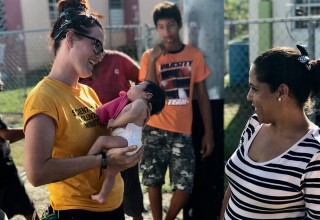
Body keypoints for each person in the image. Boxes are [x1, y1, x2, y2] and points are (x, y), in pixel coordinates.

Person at [23, 1, 143, 220]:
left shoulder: (88, 92)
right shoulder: (44, 97)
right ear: (70, 39)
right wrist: (104, 161)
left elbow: (106, 141)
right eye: (96, 45)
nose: (100, 56)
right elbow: (37, 172)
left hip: (112, 206)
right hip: (77, 212)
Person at [220, 45, 320, 219]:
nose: (248, 96)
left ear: (282, 91)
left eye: (255, 88)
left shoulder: (314, 153)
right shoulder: (254, 124)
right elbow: (235, 187)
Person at [139, 2, 214, 220]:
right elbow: (148, 92)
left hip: (183, 131)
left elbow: (203, 97)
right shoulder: (148, 56)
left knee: (185, 184)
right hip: (153, 127)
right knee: (153, 181)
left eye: (170, 25)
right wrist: (153, 60)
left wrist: (208, 132)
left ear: (179, 25)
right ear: (156, 29)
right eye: (160, 27)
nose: (166, 32)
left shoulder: (194, 55)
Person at [79, 50, 145, 220]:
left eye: (98, 43)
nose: (95, 49)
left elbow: (144, 83)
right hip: (93, 135)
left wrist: (140, 112)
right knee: (103, 178)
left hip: (122, 135)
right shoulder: (79, 68)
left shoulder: (117, 59)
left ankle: (136, 215)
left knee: (129, 185)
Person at [87, 80, 165, 204]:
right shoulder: (142, 106)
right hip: (131, 140)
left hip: (127, 138)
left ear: (147, 95)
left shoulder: (140, 102)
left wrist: (114, 122)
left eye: (138, 85)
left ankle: (86, 161)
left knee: (101, 141)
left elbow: (131, 115)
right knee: (111, 172)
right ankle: (102, 196)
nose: (132, 86)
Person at [0, 73, 38, 220]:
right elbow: (6, 135)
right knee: (28, 208)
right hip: (4, 172)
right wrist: (32, 130)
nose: (2, 82)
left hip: (5, 169)